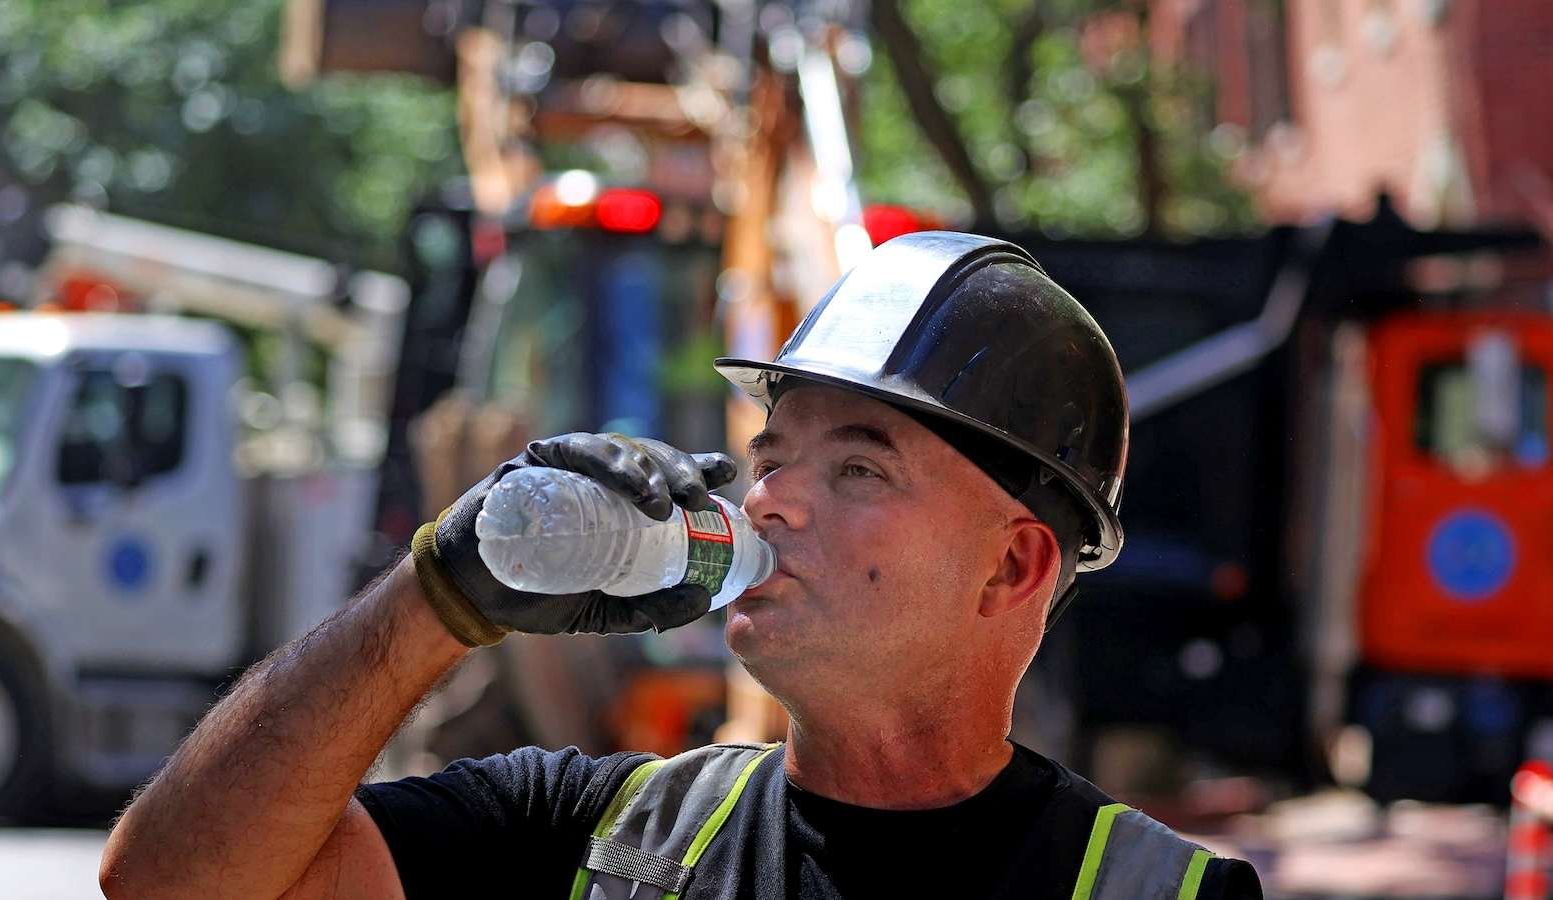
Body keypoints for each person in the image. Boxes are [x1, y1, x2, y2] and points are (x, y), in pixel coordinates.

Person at [100, 232, 1262, 899]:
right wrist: (436, 594)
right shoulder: (591, 840)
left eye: (857, 470)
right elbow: (167, 885)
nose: (768, 499)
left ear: (1012, 568)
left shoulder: (1164, 897)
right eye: (772, 456)